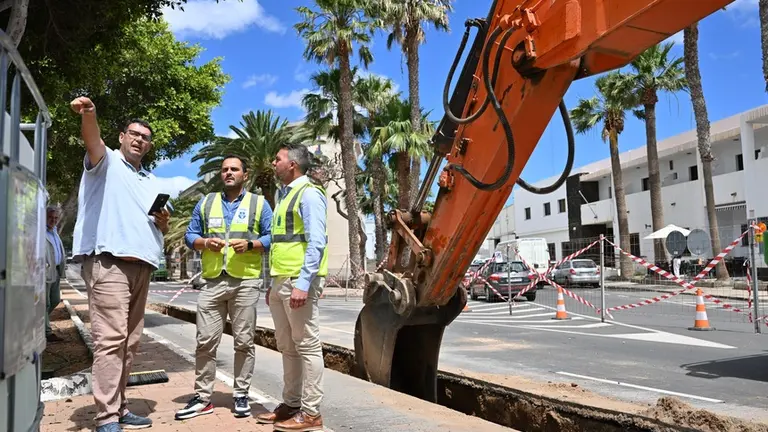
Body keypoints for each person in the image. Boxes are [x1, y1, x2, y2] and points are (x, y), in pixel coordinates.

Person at [69, 96, 170, 432]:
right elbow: (92, 139)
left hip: (143, 266)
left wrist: (163, 223)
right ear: (122, 138)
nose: (140, 139)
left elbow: (156, 224)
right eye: (134, 134)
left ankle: (120, 406)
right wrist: (90, 113)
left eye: (145, 137)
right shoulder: (107, 161)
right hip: (109, 264)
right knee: (110, 340)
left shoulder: (152, 181)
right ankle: (107, 417)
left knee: (130, 342)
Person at [175, 155, 272, 420]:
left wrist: (251, 245)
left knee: (244, 342)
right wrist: (204, 243)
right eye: (225, 169)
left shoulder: (259, 204)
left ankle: (241, 395)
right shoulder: (206, 202)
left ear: (245, 174)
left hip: (246, 282)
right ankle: (203, 397)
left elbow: (271, 236)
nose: (228, 173)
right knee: (205, 341)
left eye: (234, 169)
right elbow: (190, 235)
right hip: (212, 280)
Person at [256, 143, 328, 432]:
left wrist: (303, 283)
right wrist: (271, 284)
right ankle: (291, 404)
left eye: (278, 159)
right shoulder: (285, 196)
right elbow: (280, 244)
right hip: (280, 280)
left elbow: (316, 242)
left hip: (298, 281)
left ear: (293, 165)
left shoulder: (309, 194)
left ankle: (311, 413)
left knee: (307, 346)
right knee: (287, 346)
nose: (274, 163)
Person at [44, 205, 65, 342]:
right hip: (45, 271)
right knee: (45, 303)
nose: (53, 220)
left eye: (56, 218)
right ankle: (46, 332)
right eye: (50, 217)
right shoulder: (41, 232)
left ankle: (39, 321)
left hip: (56, 271)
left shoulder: (55, 231)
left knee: (55, 299)